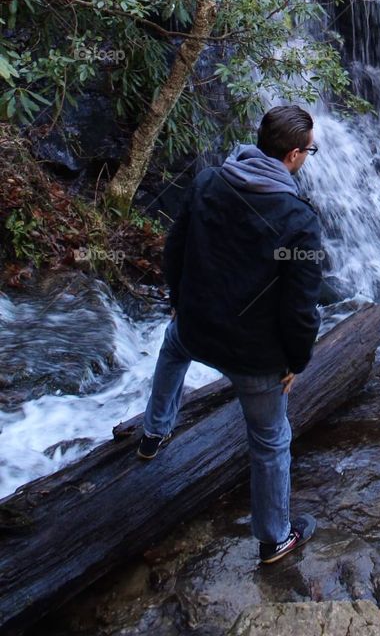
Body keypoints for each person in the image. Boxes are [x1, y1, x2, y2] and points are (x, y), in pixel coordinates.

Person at [138, 103, 324, 565]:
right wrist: (296, 361)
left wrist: (181, 304)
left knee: (172, 345)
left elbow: (175, 249)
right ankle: (274, 539)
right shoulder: (298, 220)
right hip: (254, 355)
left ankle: (153, 434)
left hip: (198, 325)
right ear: (296, 155)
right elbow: (300, 308)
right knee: (269, 441)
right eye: (311, 150)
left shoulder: (208, 181)